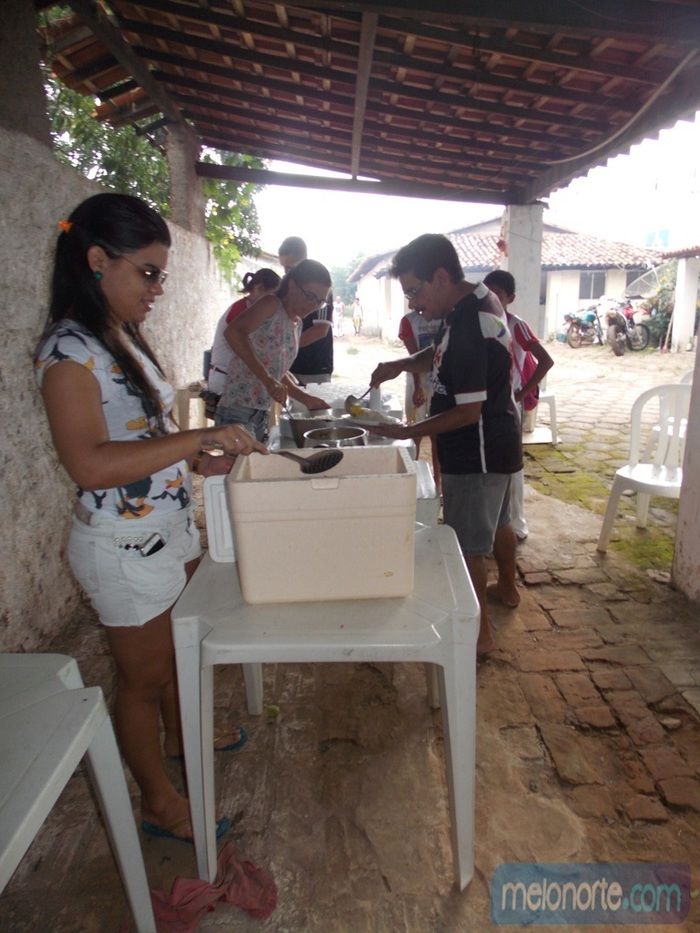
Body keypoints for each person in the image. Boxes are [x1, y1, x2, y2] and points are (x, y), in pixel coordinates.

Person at [35, 193, 268, 844]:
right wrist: (196, 441)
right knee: (142, 679)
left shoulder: (120, 336)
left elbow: (145, 437)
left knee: (178, 651)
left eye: (161, 273)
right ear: (96, 259)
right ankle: (159, 803)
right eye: (148, 272)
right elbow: (89, 463)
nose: (158, 287)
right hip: (120, 547)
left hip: (164, 530)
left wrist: (199, 462)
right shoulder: (67, 353)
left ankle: (181, 735)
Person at [367, 234, 522, 656]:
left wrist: (408, 432)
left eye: (415, 291)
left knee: (468, 547)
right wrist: (403, 363)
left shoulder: (468, 321)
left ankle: (479, 638)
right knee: (500, 521)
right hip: (502, 442)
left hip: (477, 451)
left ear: (440, 275)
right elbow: (443, 353)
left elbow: (467, 413)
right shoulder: (473, 300)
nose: (414, 303)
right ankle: (508, 590)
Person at [215, 259, 332, 439]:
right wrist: (268, 380)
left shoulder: (296, 323)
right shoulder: (271, 304)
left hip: (260, 411)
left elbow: (276, 369)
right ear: (292, 285)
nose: (313, 305)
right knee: (241, 466)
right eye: (310, 296)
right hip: (238, 407)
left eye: (320, 302)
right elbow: (233, 333)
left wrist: (306, 399)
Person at [483, 270, 554, 542]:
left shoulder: (516, 325)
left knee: (511, 467)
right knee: (489, 467)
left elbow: (545, 360)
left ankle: (517, 523)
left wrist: (522, 393)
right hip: (486, 404)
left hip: (509, 403)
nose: (492, 298)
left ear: (510, 298)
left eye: (498, 294)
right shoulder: (481, 324)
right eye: (487, 292)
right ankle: (495, 523)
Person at [205, 268, 281, 417]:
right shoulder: (241, 309)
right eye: (270, 297)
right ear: (258, 288)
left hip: (232, 377)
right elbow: (246, 344)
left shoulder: (250, 309)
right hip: (225, 378)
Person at [279, 236, 334, 385]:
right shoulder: (287, 287)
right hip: (289, 367)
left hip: (314, 369)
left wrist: (284, 350)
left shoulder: (321, 286)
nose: (286, 273)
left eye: (289, 268)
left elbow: (320, 330)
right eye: (284, 268)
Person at [398, 308, 442, 490]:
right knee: (414, 432)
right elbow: (413, 356)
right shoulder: (409, 321)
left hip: (439, 384)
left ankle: (437, 484)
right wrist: (418, 387)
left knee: (437, 436)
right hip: (417, 382)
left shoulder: (444, 317)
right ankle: (412, 482)